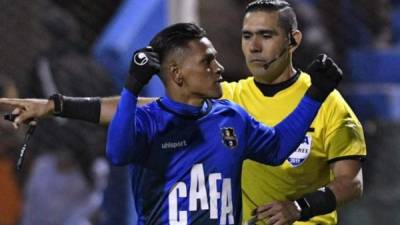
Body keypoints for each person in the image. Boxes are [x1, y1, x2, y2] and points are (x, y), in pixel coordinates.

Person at [0, 1, 364, 224]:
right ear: (176, 74)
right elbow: (119, 147)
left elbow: (279, 147)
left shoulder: (230, 116)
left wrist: (315, 94)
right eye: (208, 61)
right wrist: (60, 104)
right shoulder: (153, 118)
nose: (220, 66)